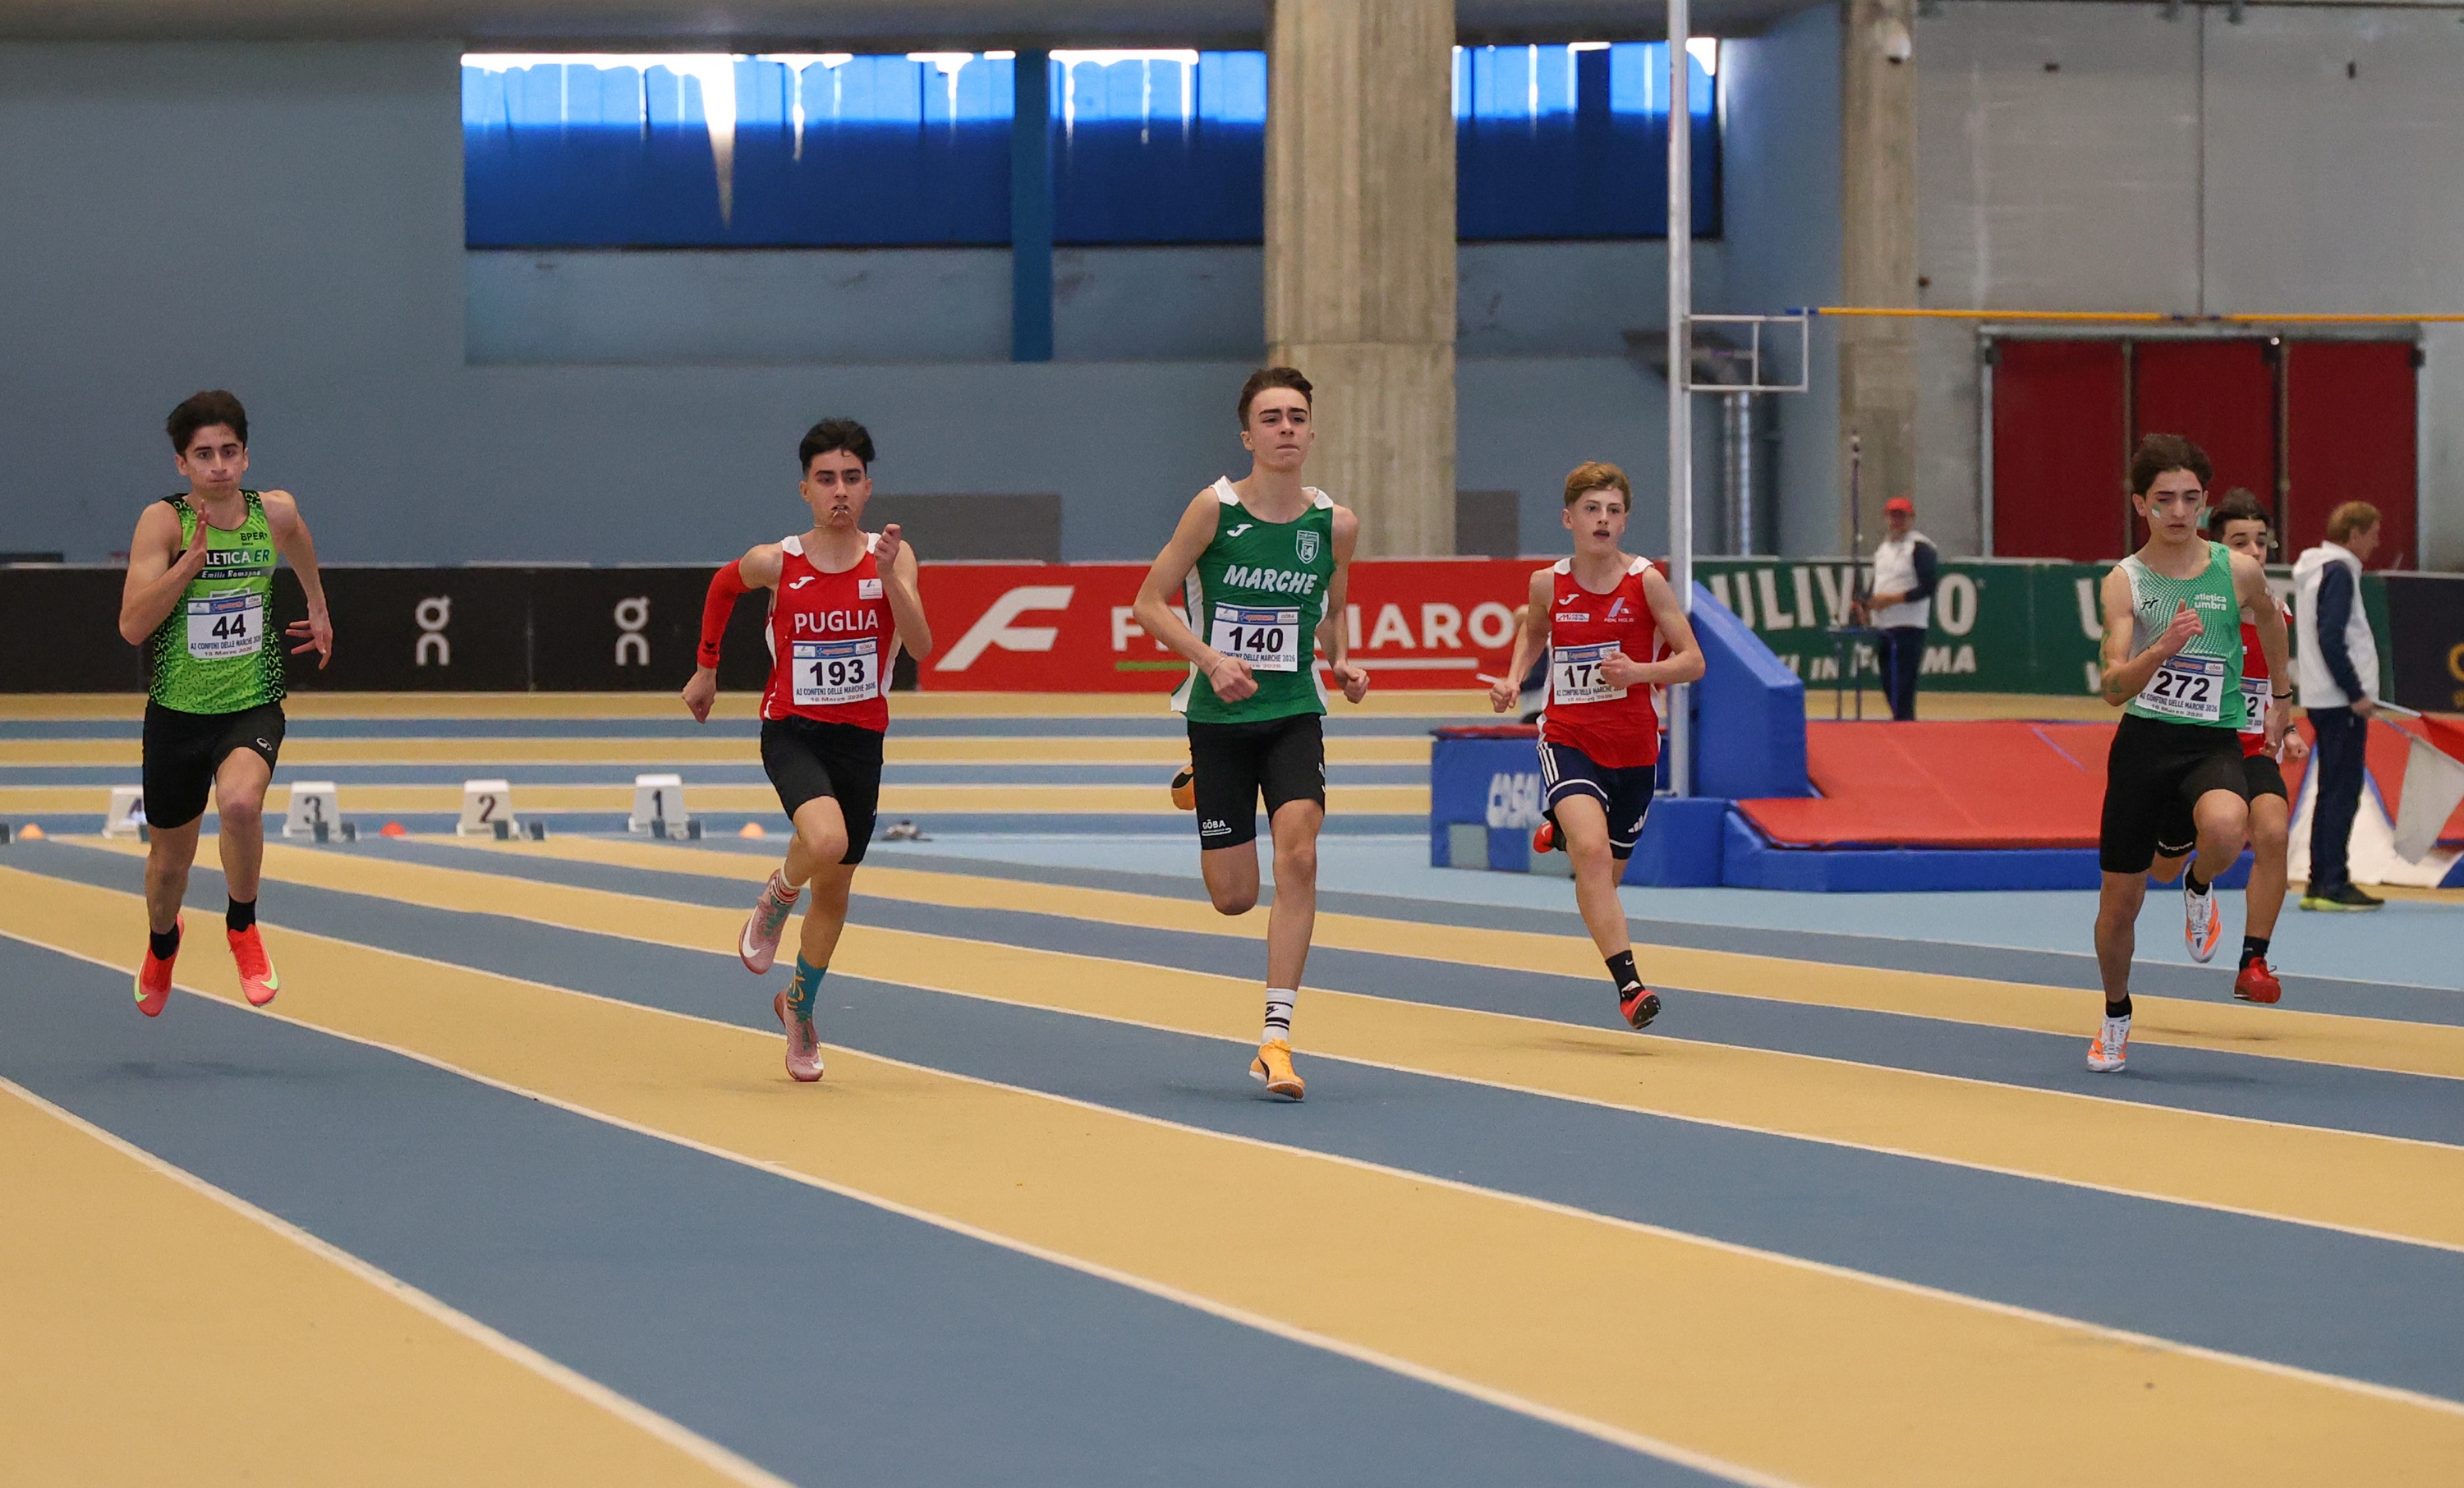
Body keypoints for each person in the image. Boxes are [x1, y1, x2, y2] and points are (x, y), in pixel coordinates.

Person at [1132, 367, 1370, 1102]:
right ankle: (1202, 782)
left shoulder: (1336, 526)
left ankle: (1276, 1037)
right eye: (1271, 418)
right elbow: (1148, 603)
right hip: (1218, 718)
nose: (1286, 428)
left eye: (1297, 416)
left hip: (1295, 710)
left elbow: (1331, 611)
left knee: (1299, 855)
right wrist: (1210, 659)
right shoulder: (1213, 509)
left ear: (1311, 431)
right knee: (1234, 897)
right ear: (1248, 436)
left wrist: (1343, 660)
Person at [681, 418, 931, 1082]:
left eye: (851, 478)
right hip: (792, 729)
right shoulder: (779, 561)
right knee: (824, 841)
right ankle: (778, 893)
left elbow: (922, 645)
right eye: (826, 479)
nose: (839, 491)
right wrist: (706, 669)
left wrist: (891, 580)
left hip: (861, 741)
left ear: (868, 487)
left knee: (837, 889)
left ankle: (798, 1006)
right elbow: (722, 586)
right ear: (805, 490)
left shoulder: (893, 557)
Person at [117, 392, 333, 1017]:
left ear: (246, 456)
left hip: (251, 700)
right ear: (182, 464)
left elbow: (297, 537)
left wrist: (317, 603)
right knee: (169, 869)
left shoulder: (274, 511)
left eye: (229, 452)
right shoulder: (164, 523)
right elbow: (132, 627)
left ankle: (243, 925)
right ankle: (164, 942)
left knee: (240, 802)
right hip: (177, 714)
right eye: (204, 455)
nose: (218, 466)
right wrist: (187, 568)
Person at [2086, 434, 2290, 1073]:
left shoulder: (2237, 571)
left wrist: (2282, 696)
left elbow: (2272, 621)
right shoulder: (2125, 582)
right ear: (2139, 504)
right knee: (2120, 905)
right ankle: (2116, 1013)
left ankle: (2199, 884)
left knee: (2230, 827)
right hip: (2145, 745)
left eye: (2191, 498)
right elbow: (2112, 688)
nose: (2179, 511)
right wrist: (2161, 649)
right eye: (2164, 499)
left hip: (2211, 741)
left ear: (2204, 500)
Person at [1491, 462, 1704, 1030]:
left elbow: (1693, 661)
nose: (1602, 520)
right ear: (1569, 519)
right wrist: (1513, 679)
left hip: (1634, 749)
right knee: (1592, 855)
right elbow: (1536, 631)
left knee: (1604, 879)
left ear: (1625, 521)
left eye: (1613, 511)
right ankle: (1631, 986)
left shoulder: (1646, 582)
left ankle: (1561, 829)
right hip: (1568, 736)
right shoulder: (1547, 583)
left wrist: (1639, 672)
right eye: (1591, 510)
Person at [2150, 490, 2309, 1003]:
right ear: (2216, 549)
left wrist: (2287, 729)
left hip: (2252, 749)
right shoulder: (2193, 607)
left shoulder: (2277, 614)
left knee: (2273, 833)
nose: (2255, 552)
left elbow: (2270, 687)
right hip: (2195, 749)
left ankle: (2253, 963)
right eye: (2241, 542)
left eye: (2262, 542)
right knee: (2162, 868)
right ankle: (2195, 879)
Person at [2292, 501, 2387, 912]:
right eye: (2373, 534)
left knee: (2332, 789)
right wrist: (2355, 692)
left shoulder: (2316, 569)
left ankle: (2321, 880)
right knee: (2342, 791)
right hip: (2339, 700)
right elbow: (2332, 636)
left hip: (2322, 696)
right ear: (2354, 534)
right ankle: (2332, 880)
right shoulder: (2340, 571)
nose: (2376, 543)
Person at [1850, 495, 1938, 721]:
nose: (1896, 521)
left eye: (1901, 516)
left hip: (1909, 624)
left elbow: (1928, 587)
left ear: (1911, 518)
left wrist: (1891, 600)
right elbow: (1879, 582)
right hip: (1884, 624)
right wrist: (1866, 604)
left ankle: (1905, 724)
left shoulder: (1920, 547)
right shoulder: (1883, 549)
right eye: (1893, 516)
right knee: (1888, 681)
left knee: (1903, 684)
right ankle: (1901, 722)